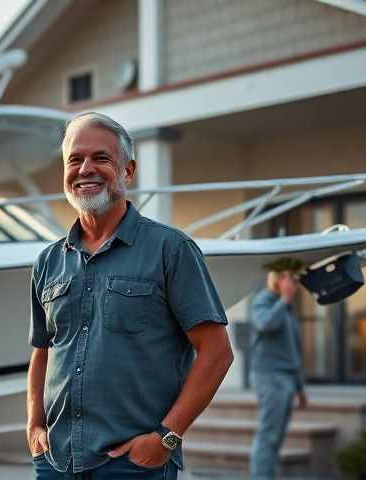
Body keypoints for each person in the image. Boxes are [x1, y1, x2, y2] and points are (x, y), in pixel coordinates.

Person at [27, 112, 234, 479]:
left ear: (128, 170)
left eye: (101, 158)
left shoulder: (171, 249)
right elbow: (43, 351)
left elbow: (217, 353)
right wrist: (34, 426)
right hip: (56, 462)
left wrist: (166, 438)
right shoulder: (48, 261)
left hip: (133, 466)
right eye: (75, 159)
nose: (85, 168)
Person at [249, 263, 309, 480]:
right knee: (268, 436)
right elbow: (265, 325)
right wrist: (283, 300)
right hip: (269, 376)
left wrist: (301, 389)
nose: (293, 285)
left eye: (294, 280)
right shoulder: (263, 301)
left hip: (287, 378)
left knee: (277, 437)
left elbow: (294, 350)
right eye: (289, 279)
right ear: (277, 279)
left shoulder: (287, 308)